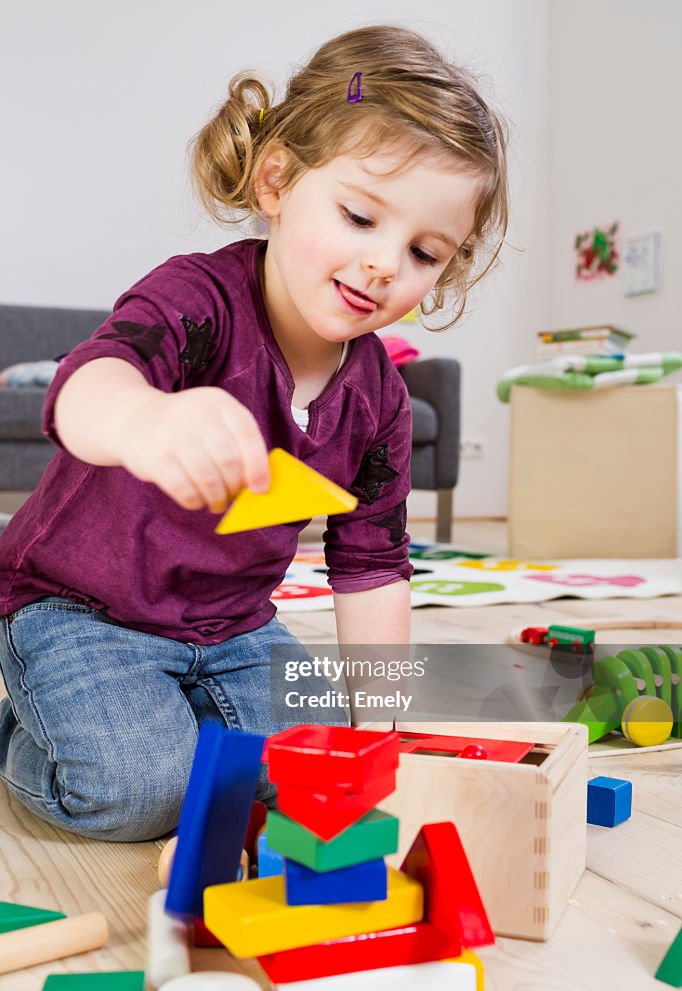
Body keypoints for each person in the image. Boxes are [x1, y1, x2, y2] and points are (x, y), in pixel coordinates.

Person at [0, 24, 508, 841]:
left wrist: (377, 730)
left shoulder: (377, 393)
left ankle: (173, 721)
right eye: (358, 215)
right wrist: (143, 417)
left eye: (422, 250)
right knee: (142, 796)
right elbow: (82, 388)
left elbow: (372, 566)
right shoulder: (198, 298)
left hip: (236, 623)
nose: (383, 264)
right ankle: (23, 736)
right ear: (276, 181)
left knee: (302, 774)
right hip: (80, 608)